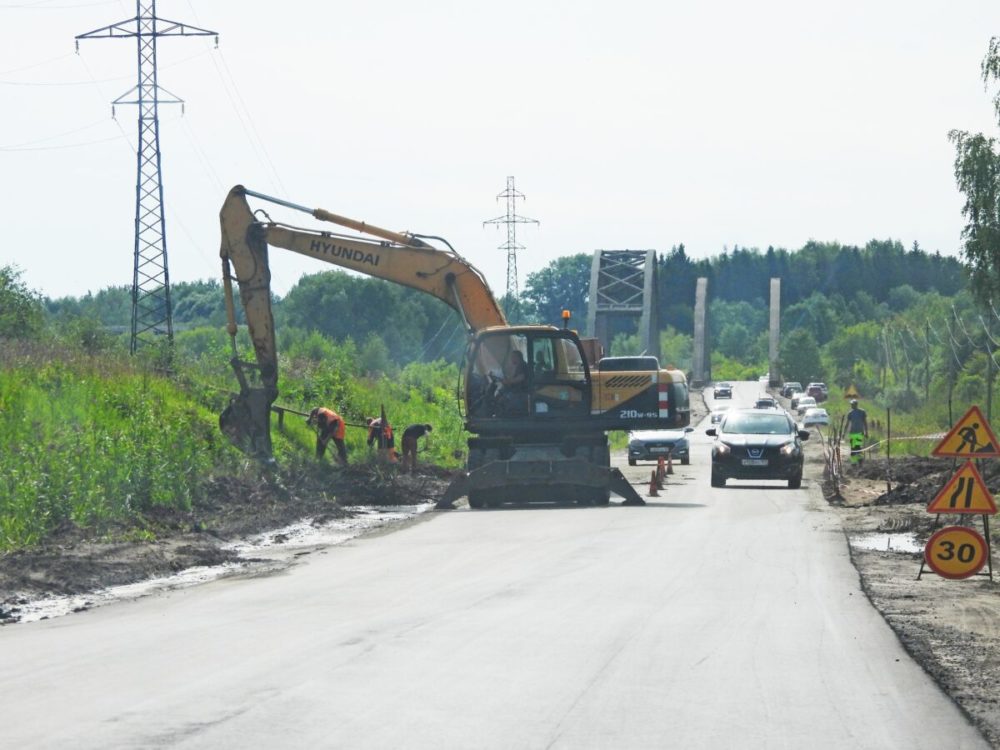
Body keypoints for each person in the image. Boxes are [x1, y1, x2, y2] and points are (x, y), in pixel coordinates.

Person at [846, 398, 868, 465]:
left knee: (857, 447)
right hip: (853, 433)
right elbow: (847, 423)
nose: (851, 405)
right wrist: (844, 432)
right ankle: (854, 462)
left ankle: (859, 462)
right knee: (853, 448)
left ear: (856, 405)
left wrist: (866, 432)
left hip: (859, 433)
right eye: (851, 404)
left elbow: (865, 422)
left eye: (852, 404)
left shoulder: (862, 412)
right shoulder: (850, 413)